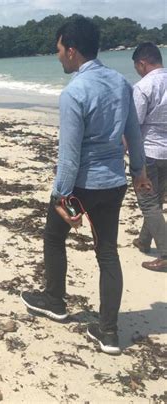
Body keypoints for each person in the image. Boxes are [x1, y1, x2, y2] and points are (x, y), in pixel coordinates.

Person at [20, 17, 151, 355]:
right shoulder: (121, 84)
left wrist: (62, 195)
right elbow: (134, 134)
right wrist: (139, 171)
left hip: (81, 185)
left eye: (59, 49)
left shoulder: (74, 92)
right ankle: (108, 332)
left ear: (72, 51)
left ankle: (55, 301)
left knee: (53, 237)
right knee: (107, 252)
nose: (58, 55)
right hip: (113, 183)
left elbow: (69, 155)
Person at [131, 42, 167, 272]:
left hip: (149, 151)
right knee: (157, 199)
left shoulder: (144, 86)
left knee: (148, 202)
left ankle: (165, 253)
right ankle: (144, 240)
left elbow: (134, 125)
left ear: (142, 63)